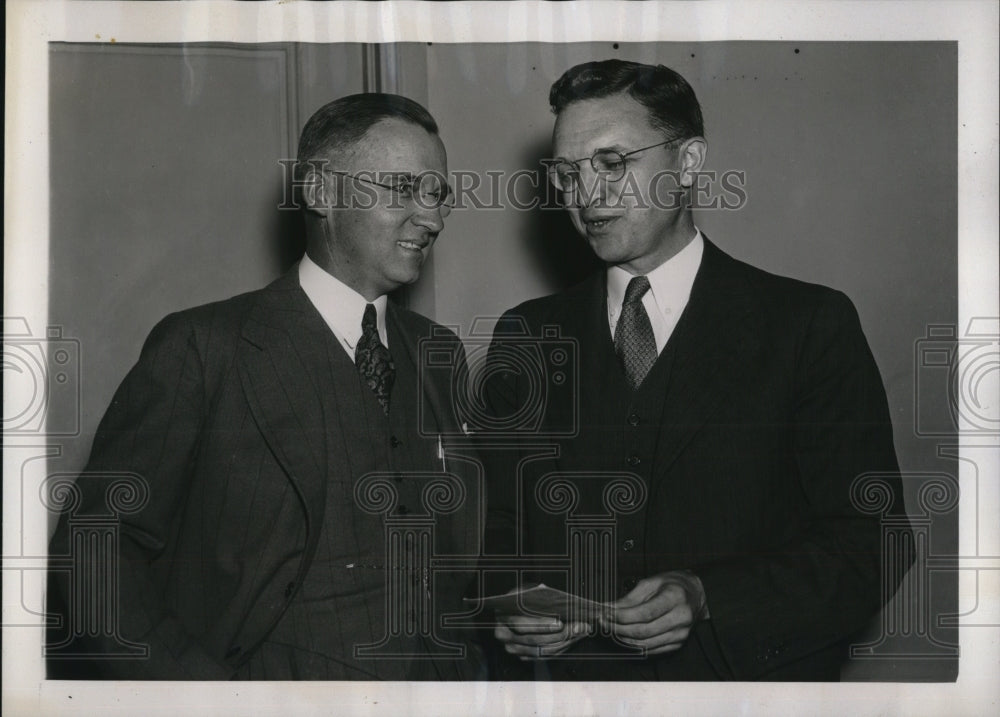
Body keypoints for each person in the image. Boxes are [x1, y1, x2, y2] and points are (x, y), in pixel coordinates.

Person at [484, 60, 911, 681]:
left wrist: (709, 595)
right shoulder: (525, 333)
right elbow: (496, 526)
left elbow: (873, 545)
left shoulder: (807, 325)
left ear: (687, 163)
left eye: (612, 163)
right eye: (568, 172)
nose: (586, 194)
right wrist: (512, 598)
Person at [47, 93, 482, 680]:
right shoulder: (203, 348)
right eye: (404, 188)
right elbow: (94, 547)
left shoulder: (439, 353)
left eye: (438, 194)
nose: (432, 219)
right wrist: (193, 696)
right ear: (320, 191)